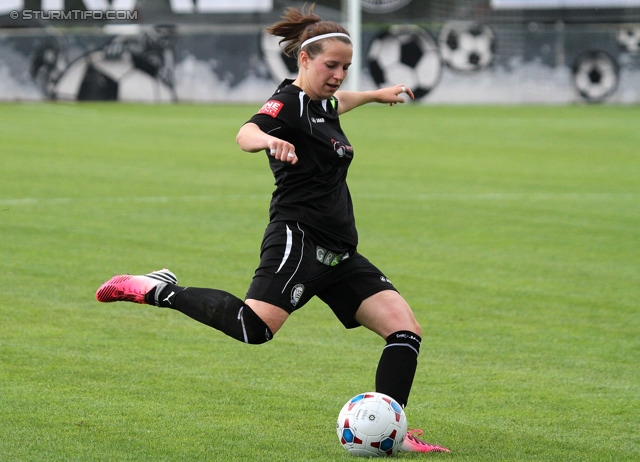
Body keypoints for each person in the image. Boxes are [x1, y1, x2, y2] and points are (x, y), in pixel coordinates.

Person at [96, 4, 449, 454]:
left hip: (340, 253)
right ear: (304, 60)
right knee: (254, 327)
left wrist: (378, 94)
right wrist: (268, 139)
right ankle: (158, 289)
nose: (339, 75)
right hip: (298, 239)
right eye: (331, 66)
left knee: (405, 331)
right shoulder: (288, 103)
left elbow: (339, 103)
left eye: (346, 67)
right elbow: (247, 131)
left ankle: (394, 432)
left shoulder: (322, 104)